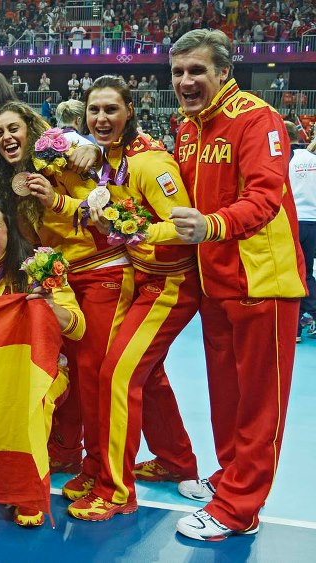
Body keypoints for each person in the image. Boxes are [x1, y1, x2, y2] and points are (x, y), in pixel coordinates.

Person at [40, 76, 200, 522]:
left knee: (115, 374)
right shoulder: (108, 160)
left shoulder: (150, 164)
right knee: (142, 375)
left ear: (130, 110)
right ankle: (159, 462)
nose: (101, 119)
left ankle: (115, 490)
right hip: (144, 281)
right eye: (95, 111)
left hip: (170, 286)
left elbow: (185, 230)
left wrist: (140, 232)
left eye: (111, 110)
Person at [168, 29, 305, 541]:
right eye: (178, 72)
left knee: (258, 402)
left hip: (261, 284)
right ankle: (230, 480)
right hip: (215, 282)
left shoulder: (256, 118)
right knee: (225, 395)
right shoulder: (187, 129)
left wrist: (212, 226)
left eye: (197, 70)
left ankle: (240, 509)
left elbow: (266, 195)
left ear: (223, 72)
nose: (186, 81)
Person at [0, 100, 127, 484]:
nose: (7, 138)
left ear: (31, 127)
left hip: (100, 270)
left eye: (14, 129)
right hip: (64, 277)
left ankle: (104, 475)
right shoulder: (11, 182)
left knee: (97, 373)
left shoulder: (64, 152)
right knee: (70, 370)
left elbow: (107, 206)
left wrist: (94, 147)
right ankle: (67, 452)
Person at [0, 196, 85, 527]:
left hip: (40, 372)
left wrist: (50, 306)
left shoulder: (40, 271)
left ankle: (26, 491)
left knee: (29, 399)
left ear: (10, 233)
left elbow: (79, 328)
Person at [290, 135, 316, 340]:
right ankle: (296, 325)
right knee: (305, 273)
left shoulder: (291, 158)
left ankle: (297, 327)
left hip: (295, 220)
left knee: (296, 273)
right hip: (314, 221)